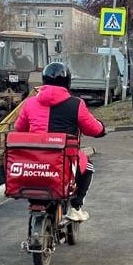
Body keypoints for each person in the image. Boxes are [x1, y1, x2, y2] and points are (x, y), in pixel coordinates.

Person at [14, 62, 106, 222]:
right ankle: (76, 207)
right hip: (64, 161)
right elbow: (93, 129)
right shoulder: (76, 104)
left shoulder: (29, 103)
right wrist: (101, 128)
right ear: (67, 81)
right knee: (88, 167)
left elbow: (19, 128)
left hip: (34, 161)